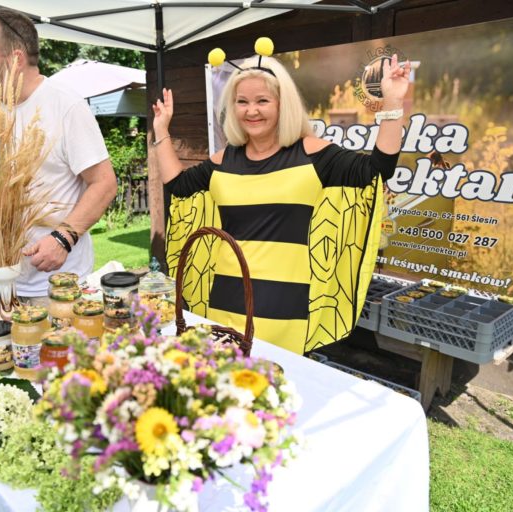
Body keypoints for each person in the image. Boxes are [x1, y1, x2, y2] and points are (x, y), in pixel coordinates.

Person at [153, 52, 410, 354]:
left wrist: (393, 104)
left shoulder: (314, 153)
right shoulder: (224, 160)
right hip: (224, 298)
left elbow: (378, 170)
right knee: (223, 388)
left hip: (286, 305)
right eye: (242, 102)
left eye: (262, 101)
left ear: (282, 103)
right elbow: (178, 187)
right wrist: (161, 132)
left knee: (277, 388)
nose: (251, 111)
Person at [0, 8, 117, 311]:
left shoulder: (65, 106)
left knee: (59, 359)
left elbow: (104, 184)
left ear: (15, 58)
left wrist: (63, 238)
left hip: (57, 286)